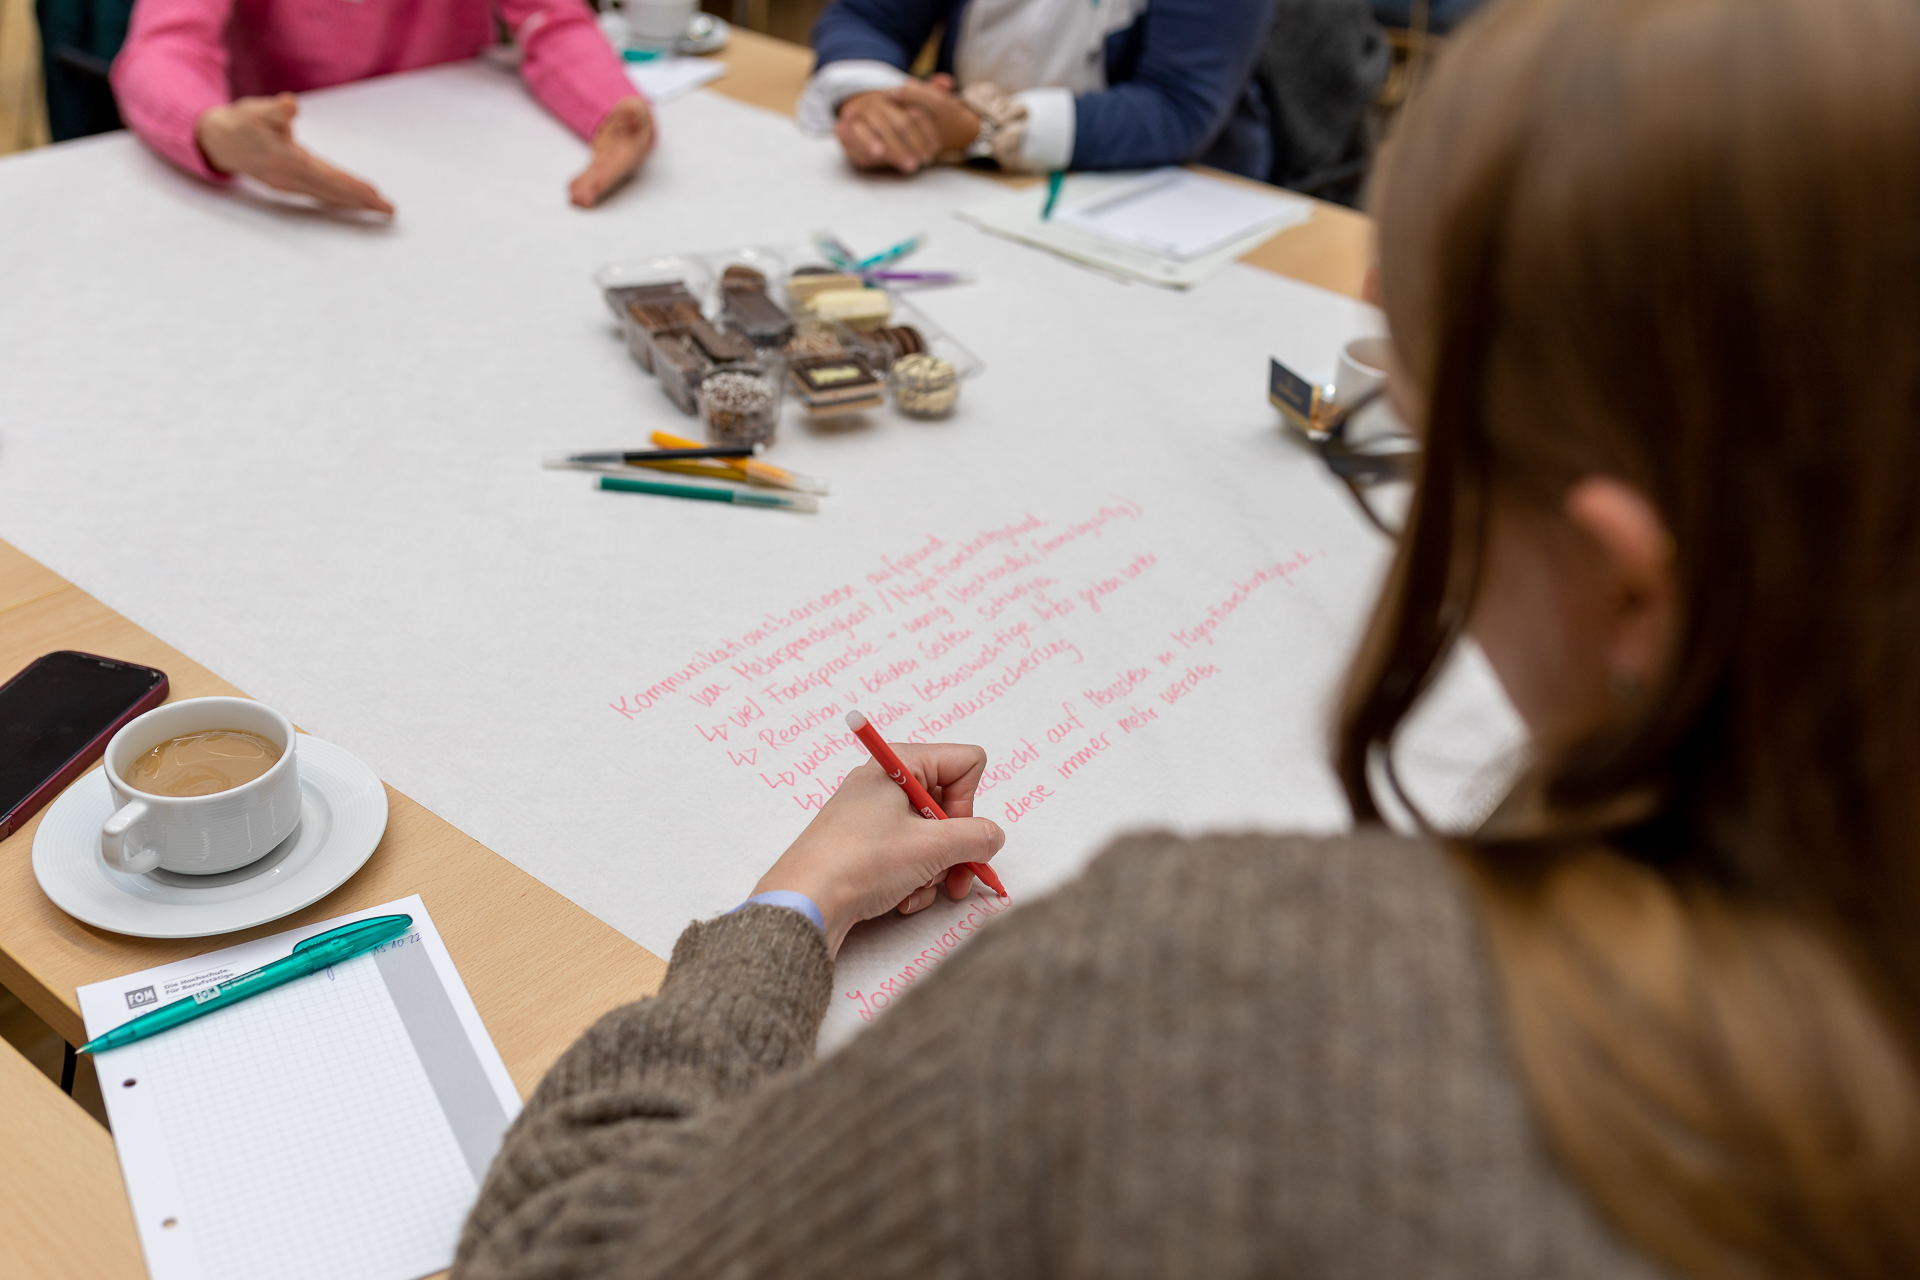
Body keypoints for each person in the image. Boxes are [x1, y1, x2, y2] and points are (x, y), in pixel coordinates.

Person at [453, 0, 1920, 1274]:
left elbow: (567, 1247)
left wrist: (790, 911)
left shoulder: (1229, 1003)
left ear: (1630, 590)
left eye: (1428, 454)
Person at [110, 0, 653, 214]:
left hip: (461, 175)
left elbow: (551, 18)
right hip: (297, 181)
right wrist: (207, 129)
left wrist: (612, 107)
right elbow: (163, 48)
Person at [797, 0, 1278, 179]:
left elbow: (1177, 108)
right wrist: (875, 101)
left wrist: (982, 128)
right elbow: (867, 17)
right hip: (963, 172)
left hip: (1149, 193)